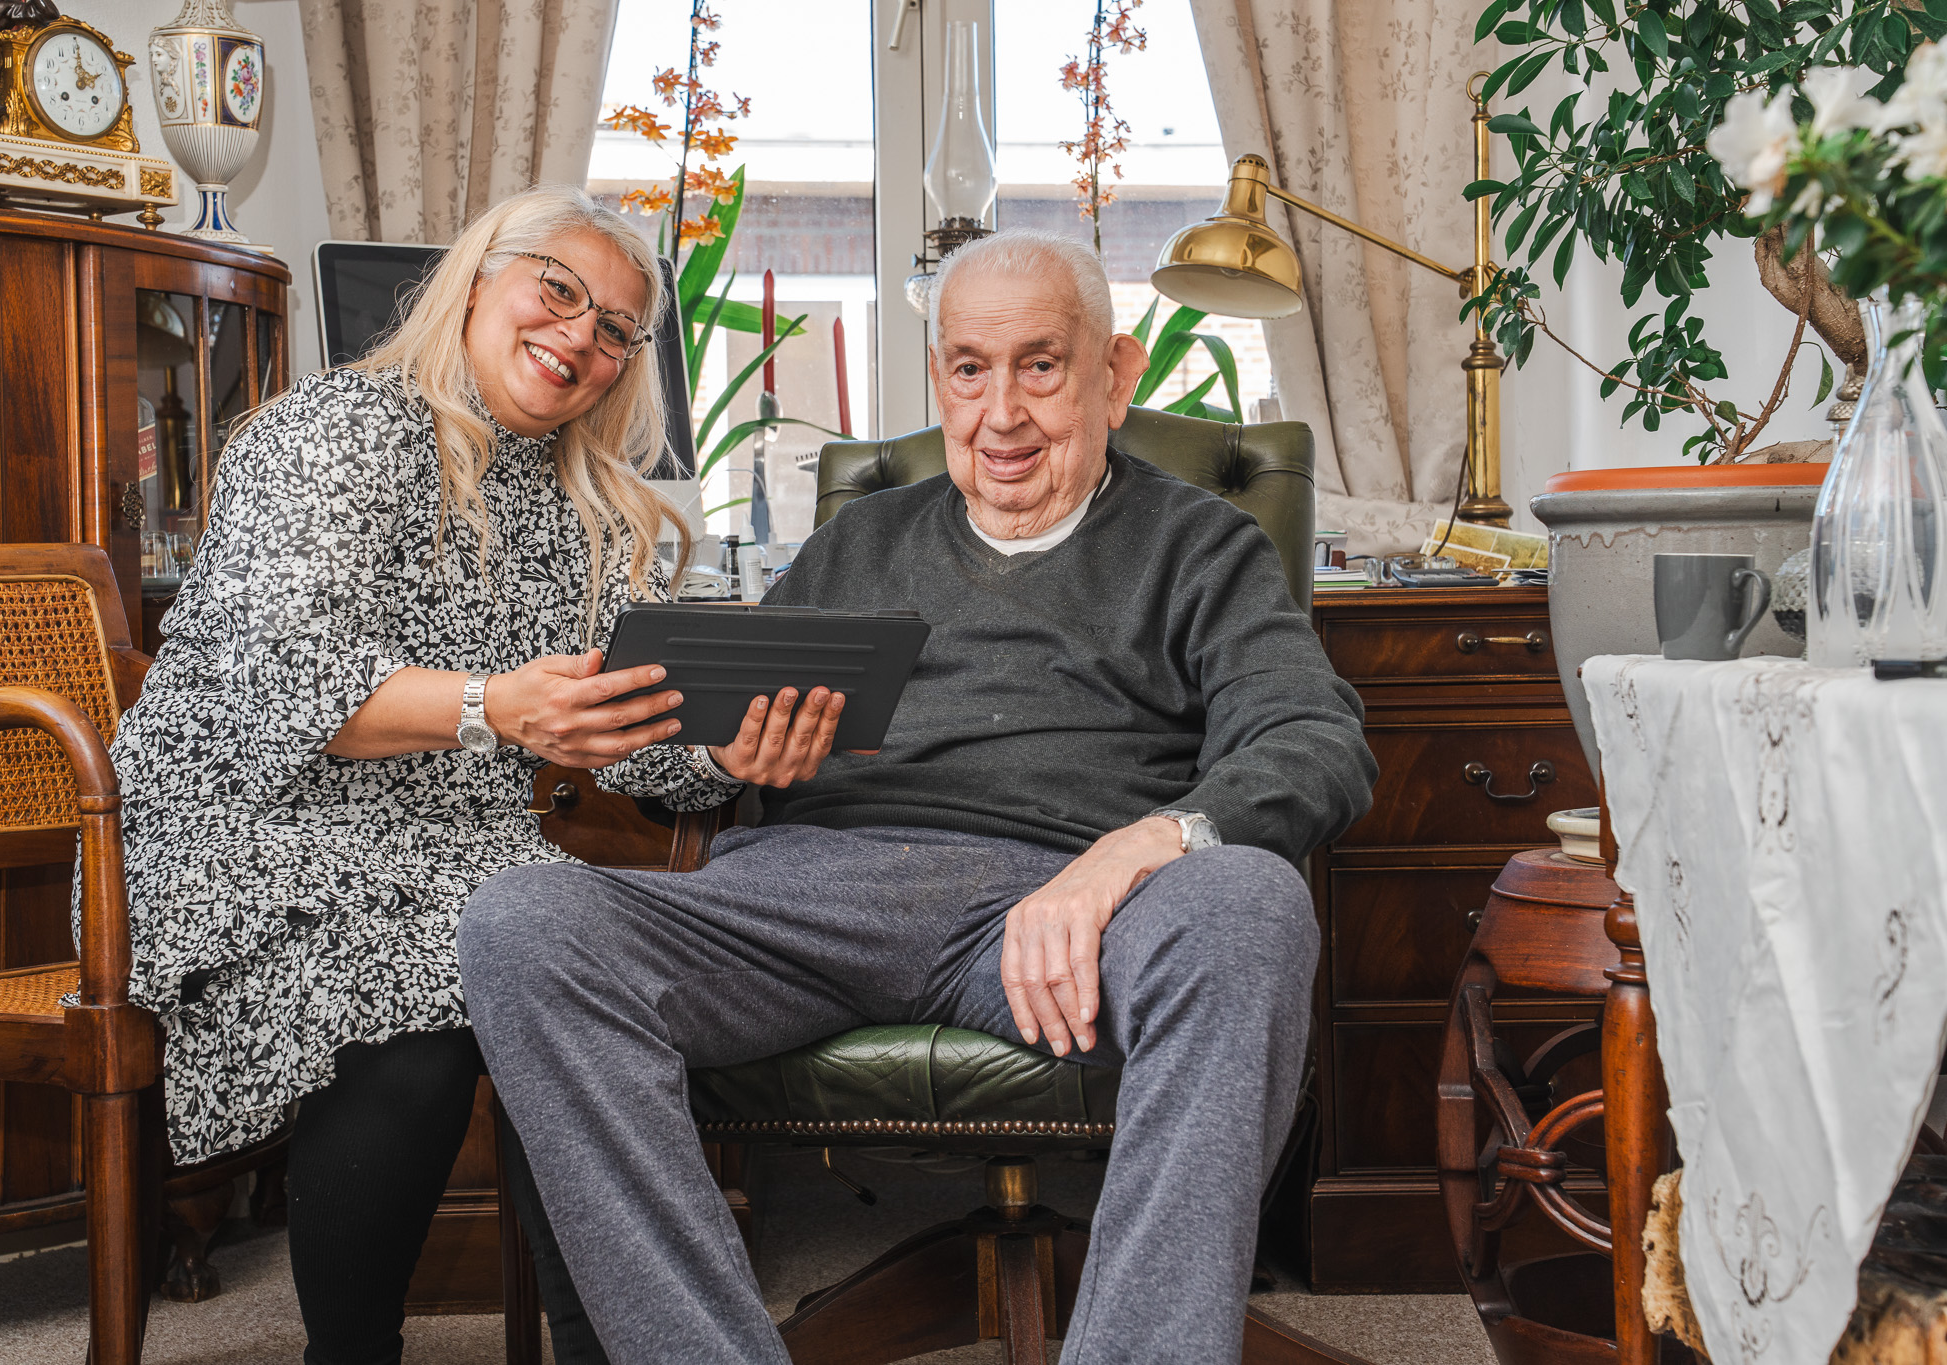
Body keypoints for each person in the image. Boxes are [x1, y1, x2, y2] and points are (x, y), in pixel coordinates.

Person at [458, 226, 1378, 1365]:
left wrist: (1129, 853)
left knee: (1249, 907)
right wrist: (732, 760)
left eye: (1040, 366)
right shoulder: (858, 541)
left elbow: (1312, 739)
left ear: (1115, 375)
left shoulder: (1201, 547)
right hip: (806, 902)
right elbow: (695, 754)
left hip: (1059, 912)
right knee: (522, 923)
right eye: (968, 369)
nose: (1001, 414)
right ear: (938, 375)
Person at [110, 186, 844, 1365]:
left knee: (575, 975)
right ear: (479, 277)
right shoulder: (330, 434)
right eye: (558, 290)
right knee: (426, 1006)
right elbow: (280, 683)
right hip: (241, 827)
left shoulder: (581, 500)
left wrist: (719, 751)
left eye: (614, 328)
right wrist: (493, 707)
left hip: (453, 848)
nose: (580, 336)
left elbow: (613, 716)